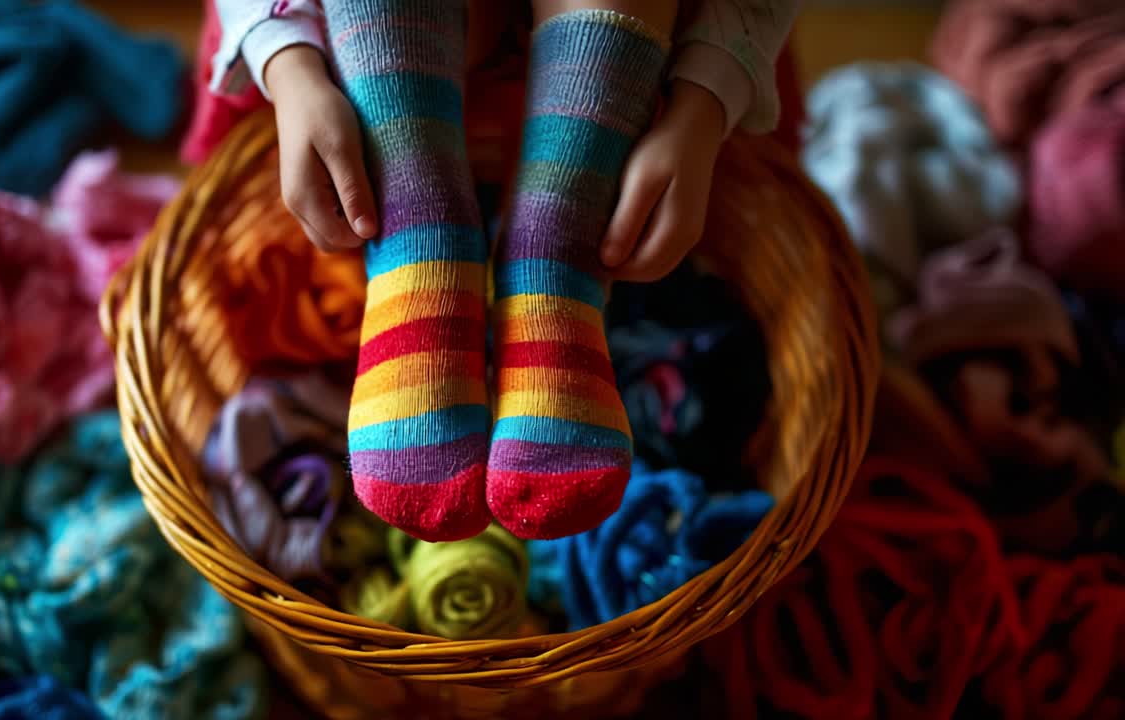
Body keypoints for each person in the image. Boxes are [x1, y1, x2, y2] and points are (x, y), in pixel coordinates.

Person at [209, 0, 800, 542]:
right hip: (366, 53)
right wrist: (287, 63)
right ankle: (423, 243)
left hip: (631, 65)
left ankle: (552, 256)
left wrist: (705, 101)